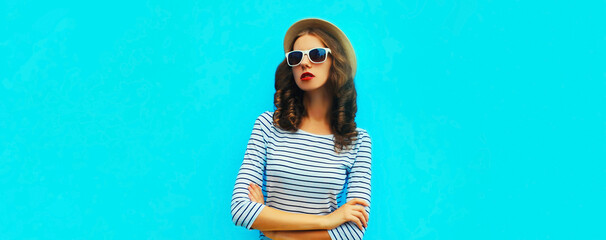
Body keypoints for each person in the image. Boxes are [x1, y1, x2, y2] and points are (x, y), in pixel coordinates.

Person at [231, 18, 372, 240]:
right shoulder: (268, 126)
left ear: (336, 62)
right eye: (296, 58)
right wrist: (326, 221)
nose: (304, 64)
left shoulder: (358, 141)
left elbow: (353, 231)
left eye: (316, 55)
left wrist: (275, 232)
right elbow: (241, 209)